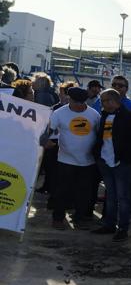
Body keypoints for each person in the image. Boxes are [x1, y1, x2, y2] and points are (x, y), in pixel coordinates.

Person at [91, 89, 131, 242]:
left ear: (113, 101)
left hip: (122, 164)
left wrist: (124, 160)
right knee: (110, 196)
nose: (102, 103)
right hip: (105, 162)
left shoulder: (130, 117)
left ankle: (123, 228)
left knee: (123, 197)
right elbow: (101, 138)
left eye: (104, 100)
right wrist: (98, 156)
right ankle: (109, 224)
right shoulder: (104, 116)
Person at [47, 87, 100, 230]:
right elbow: (49, 130)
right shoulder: (59, 113)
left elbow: (99, 135)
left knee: (84, 192)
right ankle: (58, 218)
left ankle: (80, 218)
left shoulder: (94, 115)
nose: (79, 105)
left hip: (88, 161)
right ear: (69, 99)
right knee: (62, 191)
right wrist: (46, 140)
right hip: (65, 160)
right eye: (76, 102)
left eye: (82, 103)